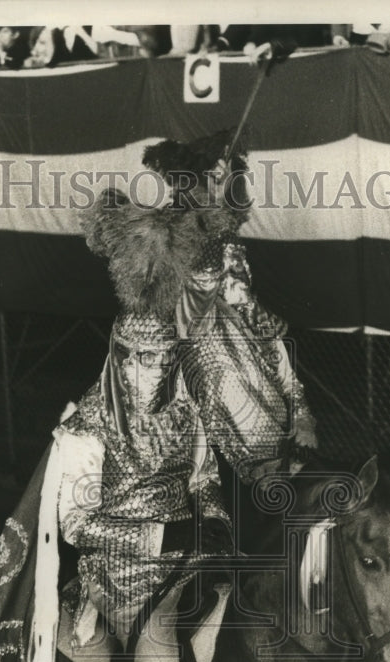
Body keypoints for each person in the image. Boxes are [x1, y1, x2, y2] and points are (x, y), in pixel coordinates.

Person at [0, 310, 233, 662]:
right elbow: (77, 524)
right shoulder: (86, 428)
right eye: (143, 360)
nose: (156, 372)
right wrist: (162, 535)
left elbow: (203, 479)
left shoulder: (186, 411)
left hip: (193, 561)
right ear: (118, 359)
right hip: (123, 577)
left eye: (164, 360)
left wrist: (216, 519)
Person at [82, 128, 317, 484]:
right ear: (207, 180)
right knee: (247, 377)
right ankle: (275, 461)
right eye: (220, 176)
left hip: (143, 347)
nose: (228, 183)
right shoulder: (216, 234)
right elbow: (240, 299)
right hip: (197, 346)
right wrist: (271, 330)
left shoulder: (163, 224)